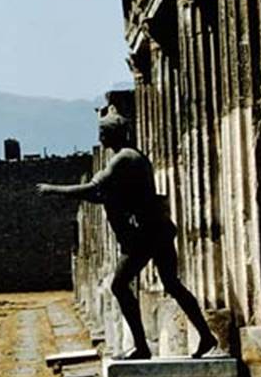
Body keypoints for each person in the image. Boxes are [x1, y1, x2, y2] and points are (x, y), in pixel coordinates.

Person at [37, 111, 218, 360]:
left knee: (120, 285)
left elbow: (94, 190)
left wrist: (53, 189)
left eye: (103, 132)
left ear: (112, 134)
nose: (100, 137)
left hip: (147, 233)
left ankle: (143, 347)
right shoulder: (131, 157)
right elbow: (106, 194)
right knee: (171, 284)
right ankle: (205, 336)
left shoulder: (125, 158)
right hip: (158, 228)